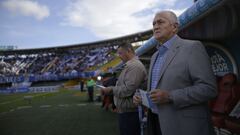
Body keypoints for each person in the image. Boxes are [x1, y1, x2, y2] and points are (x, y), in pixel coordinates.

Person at [133, 11, 217, 135]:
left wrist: (170, 96)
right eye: (154, 24)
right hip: (155, 122)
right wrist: (143, 99)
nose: (156, 27)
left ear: (174, 27)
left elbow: (209, 89)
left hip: (184, 126)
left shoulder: (192, 47)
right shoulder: (155, 55)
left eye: (160, 22)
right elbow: (155, 89)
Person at [101, 43, 147, 135]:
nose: (119, 56)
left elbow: (128, 90)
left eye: (120, 53)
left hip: (131, 113)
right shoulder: (130, 65)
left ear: (129, 51)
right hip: (127, 111)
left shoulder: (135, 66)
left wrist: (111, 89)